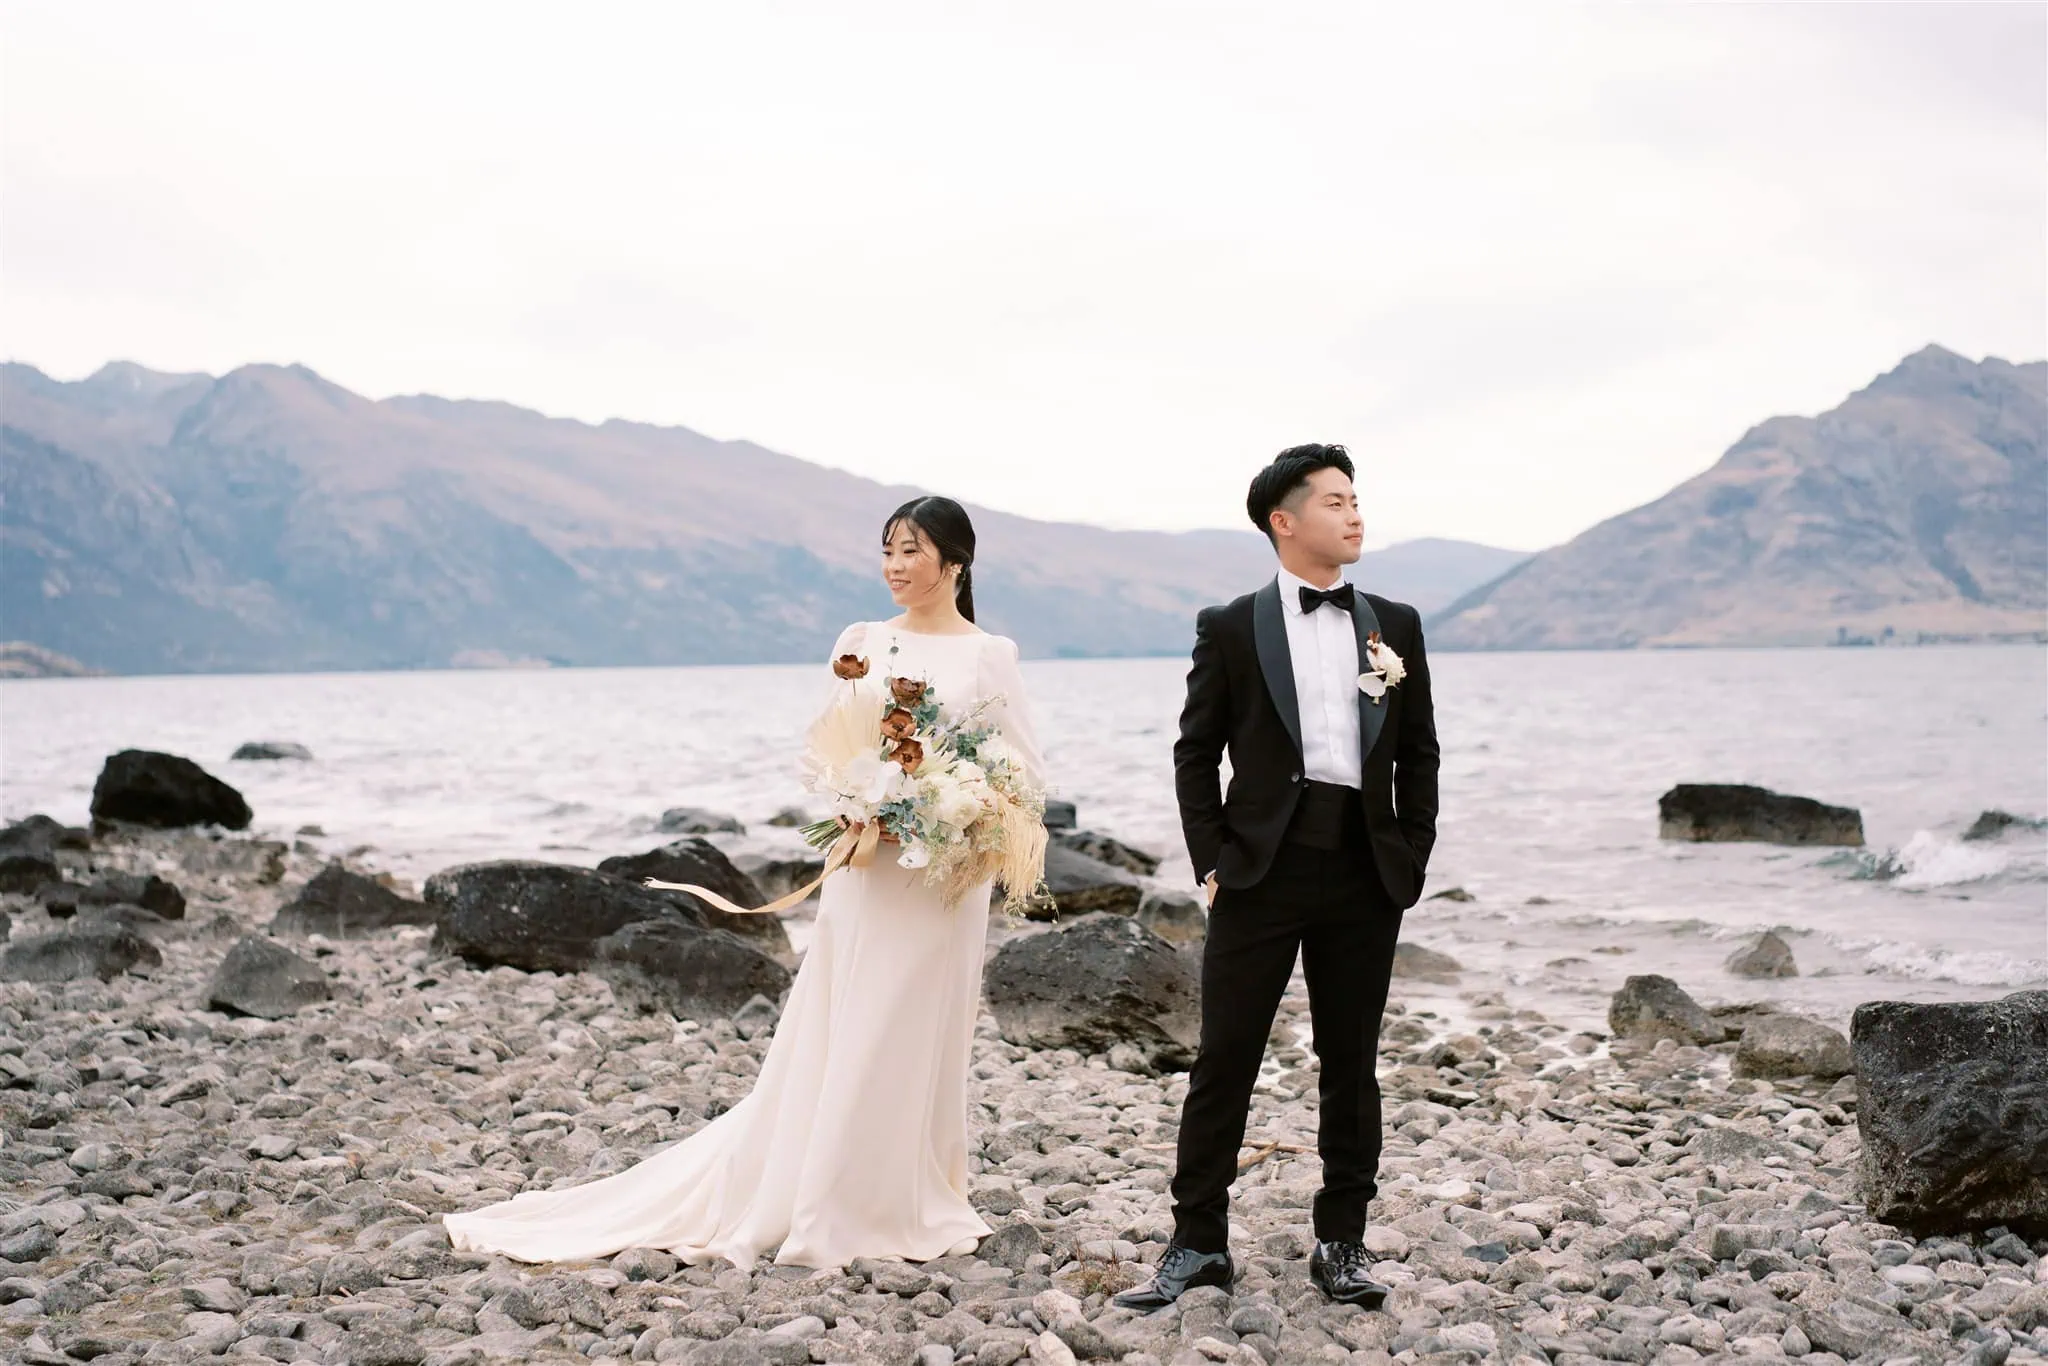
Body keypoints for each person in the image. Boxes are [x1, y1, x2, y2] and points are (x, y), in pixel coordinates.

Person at [444, 495, 1047, 1270]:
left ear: (955, 561)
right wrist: (858, 799)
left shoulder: (990, 656)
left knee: (918, 1027)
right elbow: (831, 746)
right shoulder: (863, 642)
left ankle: (904, 1191)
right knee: (853, 1020)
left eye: (911, 552)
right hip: (867, 871)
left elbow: (1022, 774)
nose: (895, 566)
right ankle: (829, 1196)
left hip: (941, 885)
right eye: (888, 551)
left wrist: (951, 810)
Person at [1116, 444, 1439, 1311]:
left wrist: (1411, 854)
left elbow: (1419, 752)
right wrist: (1212, 863)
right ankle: (1196, 1246)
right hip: (1260, 870)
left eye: (1356, 499)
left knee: (1351, 1063)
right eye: (1336, 502)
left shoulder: (1396, 624)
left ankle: (1342, 1243)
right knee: (1226, 1057)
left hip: (1366, 869)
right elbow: (1195, 753)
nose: (1355, 514)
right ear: (1283, 521)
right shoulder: (1231, 626)